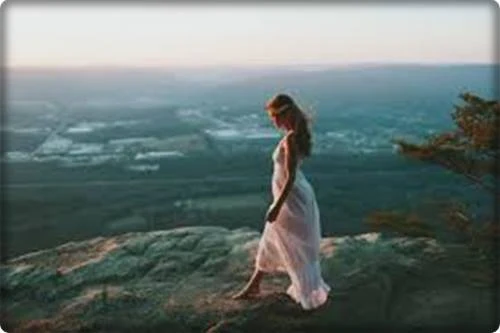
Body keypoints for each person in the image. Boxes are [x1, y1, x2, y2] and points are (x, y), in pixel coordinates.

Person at [233, 93, 330, 310]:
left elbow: (290, 177)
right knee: (273, 237)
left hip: (292, 200)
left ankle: (308, 291)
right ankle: (254, 284)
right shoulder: (294, 135)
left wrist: (277, 206)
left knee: (293, 244)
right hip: (295, 197)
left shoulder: (291, 138)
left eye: (273, 117)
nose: (272, 122)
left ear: (283, 114)